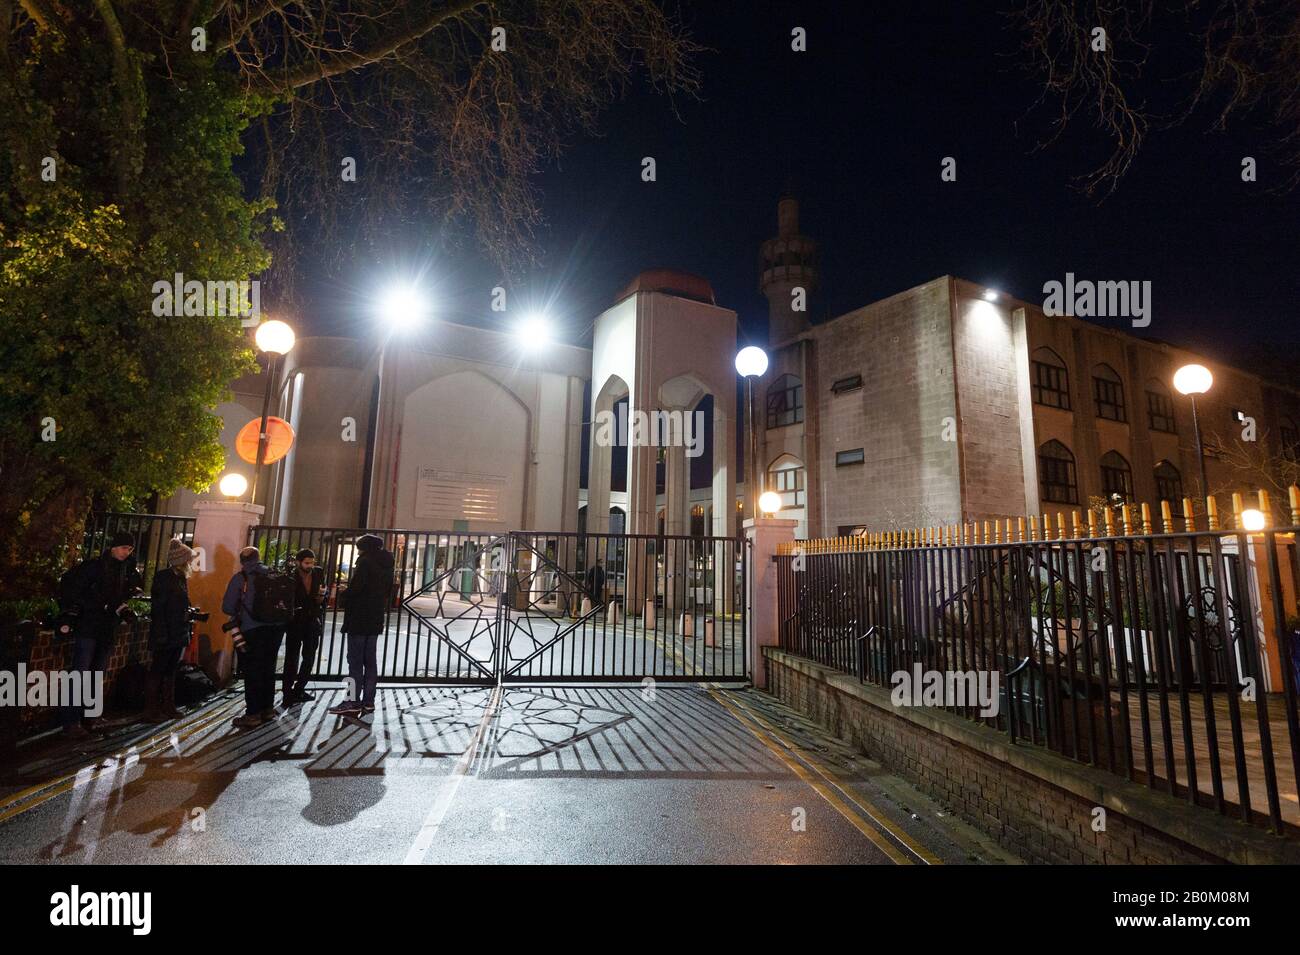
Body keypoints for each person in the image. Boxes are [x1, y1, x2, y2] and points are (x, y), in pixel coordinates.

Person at [58, 531, 143, 739]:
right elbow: (78, 592)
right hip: (89, 626)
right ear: (114, 546)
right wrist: (100, 604)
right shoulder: (94, 567)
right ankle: (71, 721)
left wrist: (123, 601)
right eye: (124, 548)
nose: (127, 552)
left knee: (96, 674)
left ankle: (91, 716)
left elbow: (122, 595)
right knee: (80, 673)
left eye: (130, 549)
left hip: (107, 627)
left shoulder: (125, 569)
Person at [328, 534, 393, 717]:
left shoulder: (365, 562)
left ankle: (351, 701)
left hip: (359, 618)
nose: (358, 552)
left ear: (364, 548)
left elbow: (357, 589)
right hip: (375, 618)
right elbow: (387, 591)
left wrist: (344, 593)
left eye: (359, 549)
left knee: (354, 662)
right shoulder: (387, 565)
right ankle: (368, 701)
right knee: (370, 662)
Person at [222, 545, 286, 728]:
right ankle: (268, 709)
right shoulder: (273, 574)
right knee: (268, 668)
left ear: (242, 561)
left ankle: (253, 714)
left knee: (252, 671)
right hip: (275, 629)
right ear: (258, 558)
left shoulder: (240, 578)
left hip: (252, 629)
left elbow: (227, 607)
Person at [143, 538, 197, 722]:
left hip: (178, 631)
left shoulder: (180, 578)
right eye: (188, 559)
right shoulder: (164, 577)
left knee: (171, 670)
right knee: (158, 669)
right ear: (181, 560)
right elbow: (158, 608)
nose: (190, 563)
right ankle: (151, 709)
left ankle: (168, 705)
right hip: (166, 632)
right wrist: (162, 633)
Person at [282, 548, 325, 706]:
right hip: (295, 620)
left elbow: (322, 592)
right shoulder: (291, 575)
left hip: (312, 619)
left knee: (309, 656)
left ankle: (300, 688)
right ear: (298, 562)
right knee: (291, 657)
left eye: (312, 562)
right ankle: (287, 691)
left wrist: (322, 596)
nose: (310, 566)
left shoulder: (318, 573)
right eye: (307, 563)